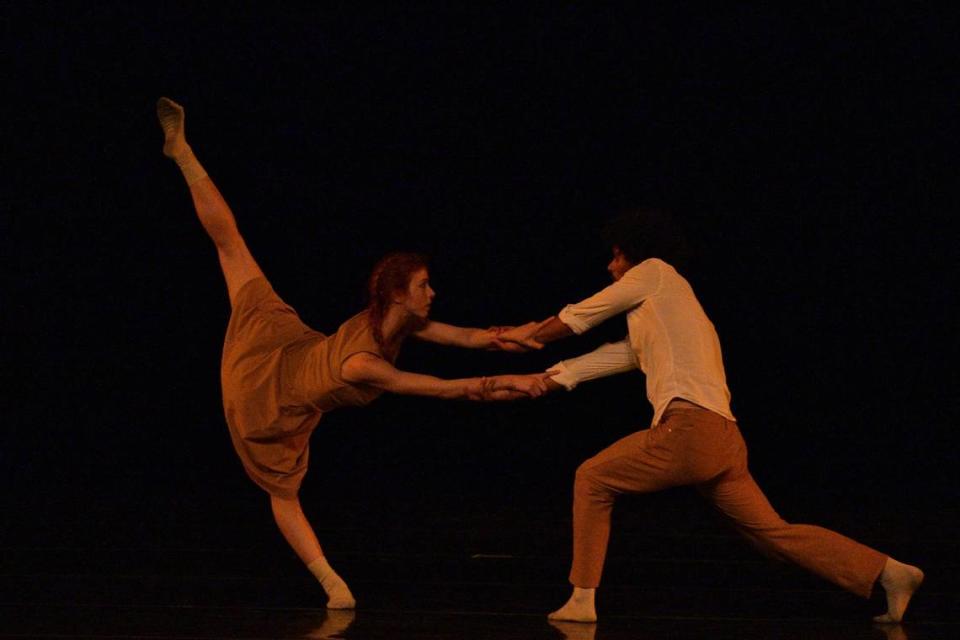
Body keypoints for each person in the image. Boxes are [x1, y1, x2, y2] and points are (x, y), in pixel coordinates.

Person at [155, 97, 550, 609]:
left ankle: (181, 151)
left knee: (232, 246)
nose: (433, 294)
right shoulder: (363, 363)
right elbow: (443, 389)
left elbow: (469, 337)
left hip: (288, 342)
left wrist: (529, 333)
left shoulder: (394, 322)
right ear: (399, 295)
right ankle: (331, 584)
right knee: (283, 492)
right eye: (424, 286)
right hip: (264, 392)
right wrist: (507, 384)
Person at [497, 208, 924, 624]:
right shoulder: (666, 310)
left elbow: (582, 315)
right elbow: (615, 356)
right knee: (773, 534)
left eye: (615, 256)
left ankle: (582, 599)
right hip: (724, 440)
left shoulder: (654, 272)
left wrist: (529, 335)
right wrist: (541, 380)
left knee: (592, 478)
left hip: (690, 432)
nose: (611, 267)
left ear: (636, 251)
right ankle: (890, 571)